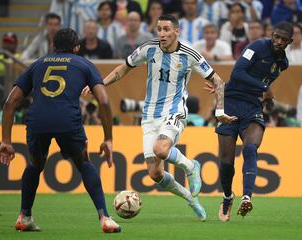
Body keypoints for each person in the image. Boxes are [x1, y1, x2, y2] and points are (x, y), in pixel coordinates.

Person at [91, 14, 237, 221]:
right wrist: (100, 85)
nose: (162, 33)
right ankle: (190, 199)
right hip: (149, 115)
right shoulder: (148, 49)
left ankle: (190, 166)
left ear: (177, 31)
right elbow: (122, 69)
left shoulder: (190, 54)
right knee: (155, 174)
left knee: (161, 150)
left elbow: (219, 82)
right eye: (159, 29)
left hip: (174, 110)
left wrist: (220, 112)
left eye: (167, 29)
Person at [0, 28, 121, 233]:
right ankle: (105, 218)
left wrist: (6, 140)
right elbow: (104, 101)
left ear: (53, 46)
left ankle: (24, 216)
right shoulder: (84, 64)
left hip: (37, 121)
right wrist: (108, 138)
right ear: (77, 47)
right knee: (84, 163)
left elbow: (11, 101)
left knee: (35, 165)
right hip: (67, 121)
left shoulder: (37, 64)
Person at [215, 21, 294, 222]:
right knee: (226, 162)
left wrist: (264, 96)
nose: (278, 41)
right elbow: (237, 73)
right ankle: (227, 196)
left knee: (250, 149)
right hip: (231, 102)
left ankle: (247, 197)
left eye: (283, 40)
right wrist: (263, 87)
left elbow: (264, 86)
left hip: (252, 108)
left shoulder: (283, 64)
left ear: (289, 42)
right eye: (276, 36)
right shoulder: (257, 47)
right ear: (272, 34)